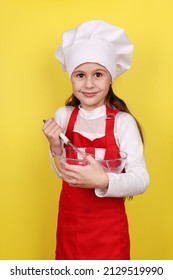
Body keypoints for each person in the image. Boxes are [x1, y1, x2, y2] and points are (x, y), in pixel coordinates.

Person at [42, 19, 149, 260]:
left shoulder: (123, 122)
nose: (89, 84)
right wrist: (55, 147)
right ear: (71, 77)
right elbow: (62, 173)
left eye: (98, 74)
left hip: (109, 230)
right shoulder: (64, 116)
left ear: (111, 78)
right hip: (71, 224)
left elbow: (141, 180)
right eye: (80, 75)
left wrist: (102, 180)